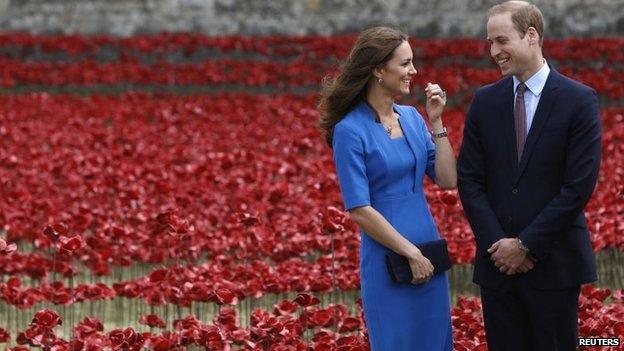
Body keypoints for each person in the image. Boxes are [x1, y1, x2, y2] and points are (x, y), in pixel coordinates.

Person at [457, 1, 601, 350]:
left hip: (555, 264)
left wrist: (525, 246)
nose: (494, 52)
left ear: (531, 36)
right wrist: (499, 249)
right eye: (490, 43)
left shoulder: (578, 100)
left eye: (502, 41)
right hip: (497, 270)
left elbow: (577, 186)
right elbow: (470, 180)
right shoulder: (485, 101)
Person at [318, 26, 456, 350]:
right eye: (405, 63)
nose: (414, 71)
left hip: (428, 250)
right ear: (379, 70)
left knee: (435, 342)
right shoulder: (349, 130)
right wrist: (410, 253)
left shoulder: (412, 117)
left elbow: (448, 180)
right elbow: (359, 209)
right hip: (388, 258)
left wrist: (437, 122)